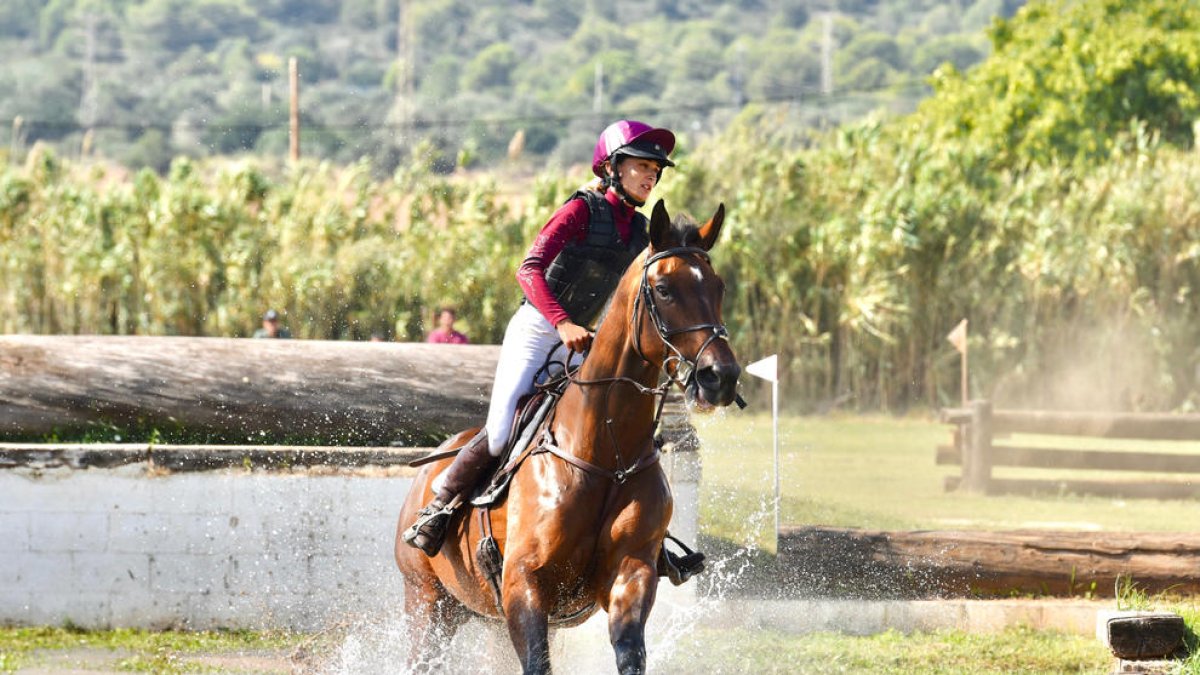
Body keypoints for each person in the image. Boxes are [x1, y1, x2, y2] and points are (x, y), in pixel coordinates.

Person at [402, 120, 675, 555]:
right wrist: (562, 322)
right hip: (538, 328)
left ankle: (651, 538)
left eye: (655, 170)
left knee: (613, 426)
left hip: (584, 340)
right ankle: (439, 506)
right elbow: (528, 270)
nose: (651, 176)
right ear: (612, 167)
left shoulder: (641, 232)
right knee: (500, 432)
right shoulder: (580, 210)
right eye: (642, 166)